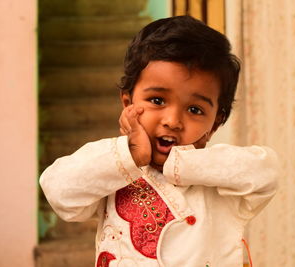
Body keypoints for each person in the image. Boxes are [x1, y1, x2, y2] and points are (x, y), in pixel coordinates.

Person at [40, 15, 279, 267]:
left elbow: (266, 172)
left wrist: (179, 164)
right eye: (157, 100)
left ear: (214, 125)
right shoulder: (115, 169)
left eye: (195, 110)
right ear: (128, 103)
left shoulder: (218, 183)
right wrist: (129, 156)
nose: (173, 120)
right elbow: (58, 190)